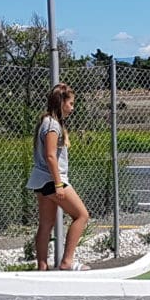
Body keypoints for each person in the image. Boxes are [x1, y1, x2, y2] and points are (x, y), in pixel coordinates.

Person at [25, 83, 91, 271]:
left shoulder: (46, 122)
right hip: (52, 180)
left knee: (46, 224)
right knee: (81, 215)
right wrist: (59, 184)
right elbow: (50, 156)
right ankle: (67, 261)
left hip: (41, 180)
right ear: (61, 102)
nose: (72, 108)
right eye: (70, 103)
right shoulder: (52, 125)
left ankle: (42, 267)